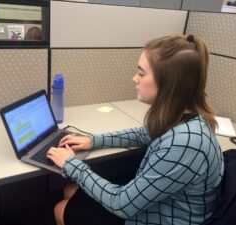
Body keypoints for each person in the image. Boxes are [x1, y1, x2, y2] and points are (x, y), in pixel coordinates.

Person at [47, 34, 224, 225]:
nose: (134, 79)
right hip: (157, 203)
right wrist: (94, 140)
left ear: (168, 82)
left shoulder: (184, 143)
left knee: (61, 208)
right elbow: (143, 134)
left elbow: (121, 204)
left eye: (141, 73)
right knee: (69, 190)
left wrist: (71, 165)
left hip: (160, 218)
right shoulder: (184, 117)